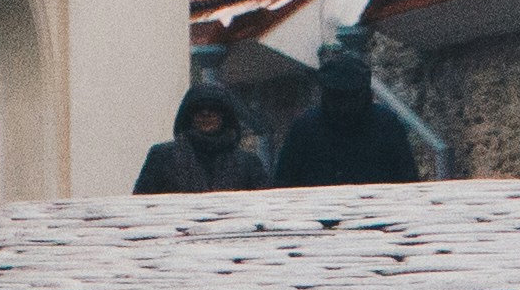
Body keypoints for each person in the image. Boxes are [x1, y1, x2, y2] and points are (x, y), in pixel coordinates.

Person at [272, 44, 426, 186]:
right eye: (337, 98)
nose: (344, 107)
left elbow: (407, 181)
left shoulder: (386, 125)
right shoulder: (306, 129)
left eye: (350, 98)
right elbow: (285, 184)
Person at [133, 81, 276, 193]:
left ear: (225, 116)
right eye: (199, 109)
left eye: (214, 109)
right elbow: (142, 207)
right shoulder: (163, 157)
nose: (206, 114)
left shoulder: (248, 164)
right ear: (189, 115)